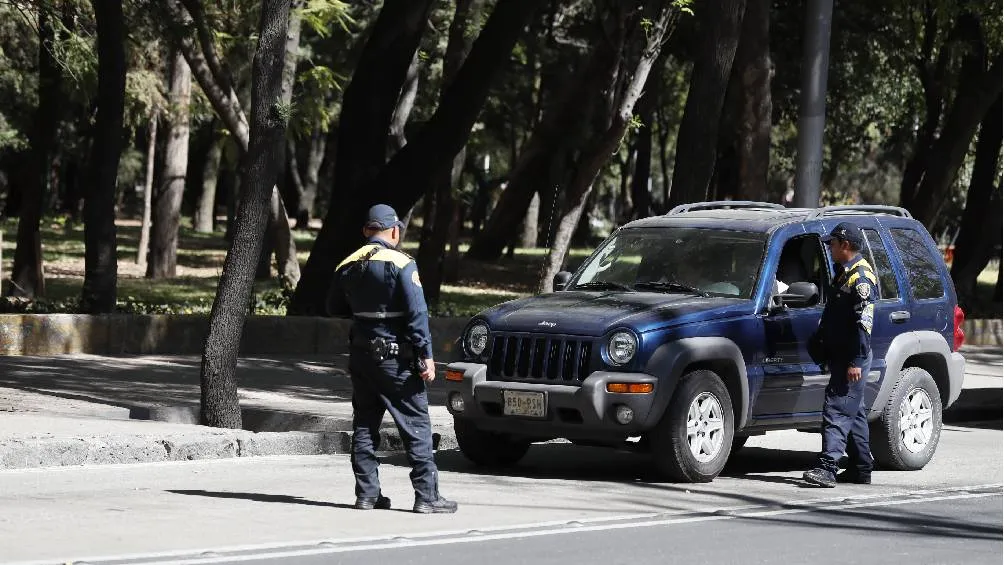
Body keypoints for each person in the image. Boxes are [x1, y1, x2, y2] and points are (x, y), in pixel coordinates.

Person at [329, 204, 458, 514]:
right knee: (415, 425)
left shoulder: (347, 264)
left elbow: (333, 307)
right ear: (395, 231)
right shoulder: (402, 263)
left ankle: (367, 495)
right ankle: (427, 496)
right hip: (396, 360)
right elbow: (417, 314)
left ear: (365, 231)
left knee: (365, 425)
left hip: (361, 357)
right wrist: (426, 354)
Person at [803, 222, 878, 488]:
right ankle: (861, 467)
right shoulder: (844, 272)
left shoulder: (861, 279)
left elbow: (863, 324)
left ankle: (827, 467)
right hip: (843, 355)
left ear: (845, 245)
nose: (830, 248)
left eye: (832, 244)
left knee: (836, 408)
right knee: (853, 411)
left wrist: (855, 361)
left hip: (851, 358)